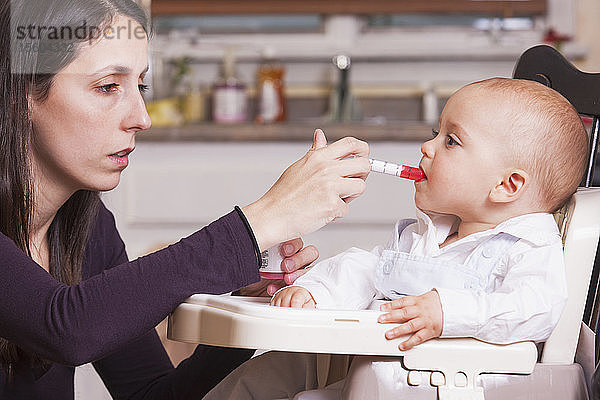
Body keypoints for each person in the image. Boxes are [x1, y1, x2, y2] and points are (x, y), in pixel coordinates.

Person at [0, 0, 371, 398]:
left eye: (139, 86)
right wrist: (261, 221)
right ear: (23, 95)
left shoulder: (88, 228)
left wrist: (244, 310)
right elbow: (68, 327)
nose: (141, 117)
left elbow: (151, 394)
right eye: (108, 86)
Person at [204, 77, 589, 399]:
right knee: (259, 375)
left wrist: (447, 313)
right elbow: (368, 269)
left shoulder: (526, 246)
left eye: (450, 141)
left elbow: (536, 307)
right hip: (368, 364)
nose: (427, 147)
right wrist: (315, 292)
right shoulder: (428, 234)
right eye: (435, 134)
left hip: (436, 382)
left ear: (507, 185)